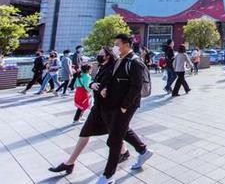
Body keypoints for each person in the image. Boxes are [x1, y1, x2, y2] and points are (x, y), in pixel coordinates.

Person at [48, 47, 131, 176]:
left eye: (101, 54)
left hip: (106, 108)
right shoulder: (102, 67)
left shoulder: (112, 68)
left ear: (108, 56)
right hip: (97, 109)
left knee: (116, 134)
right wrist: (92, 84)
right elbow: (95, 82)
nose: (99, 56)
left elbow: (106, 86)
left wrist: (98, 88)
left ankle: (127, 153)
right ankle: (70, 162)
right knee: (86, 133)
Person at [96, 34, 152, 184]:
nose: (115, 47)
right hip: (116, 104)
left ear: (126, 44)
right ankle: (143, 150)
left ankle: (108, 176)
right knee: (123, 130)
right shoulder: (121, 60)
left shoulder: (134, 62)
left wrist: (124, 106)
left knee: (115, 138)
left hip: (126, 106)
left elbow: (136, 87)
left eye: (117, 44)